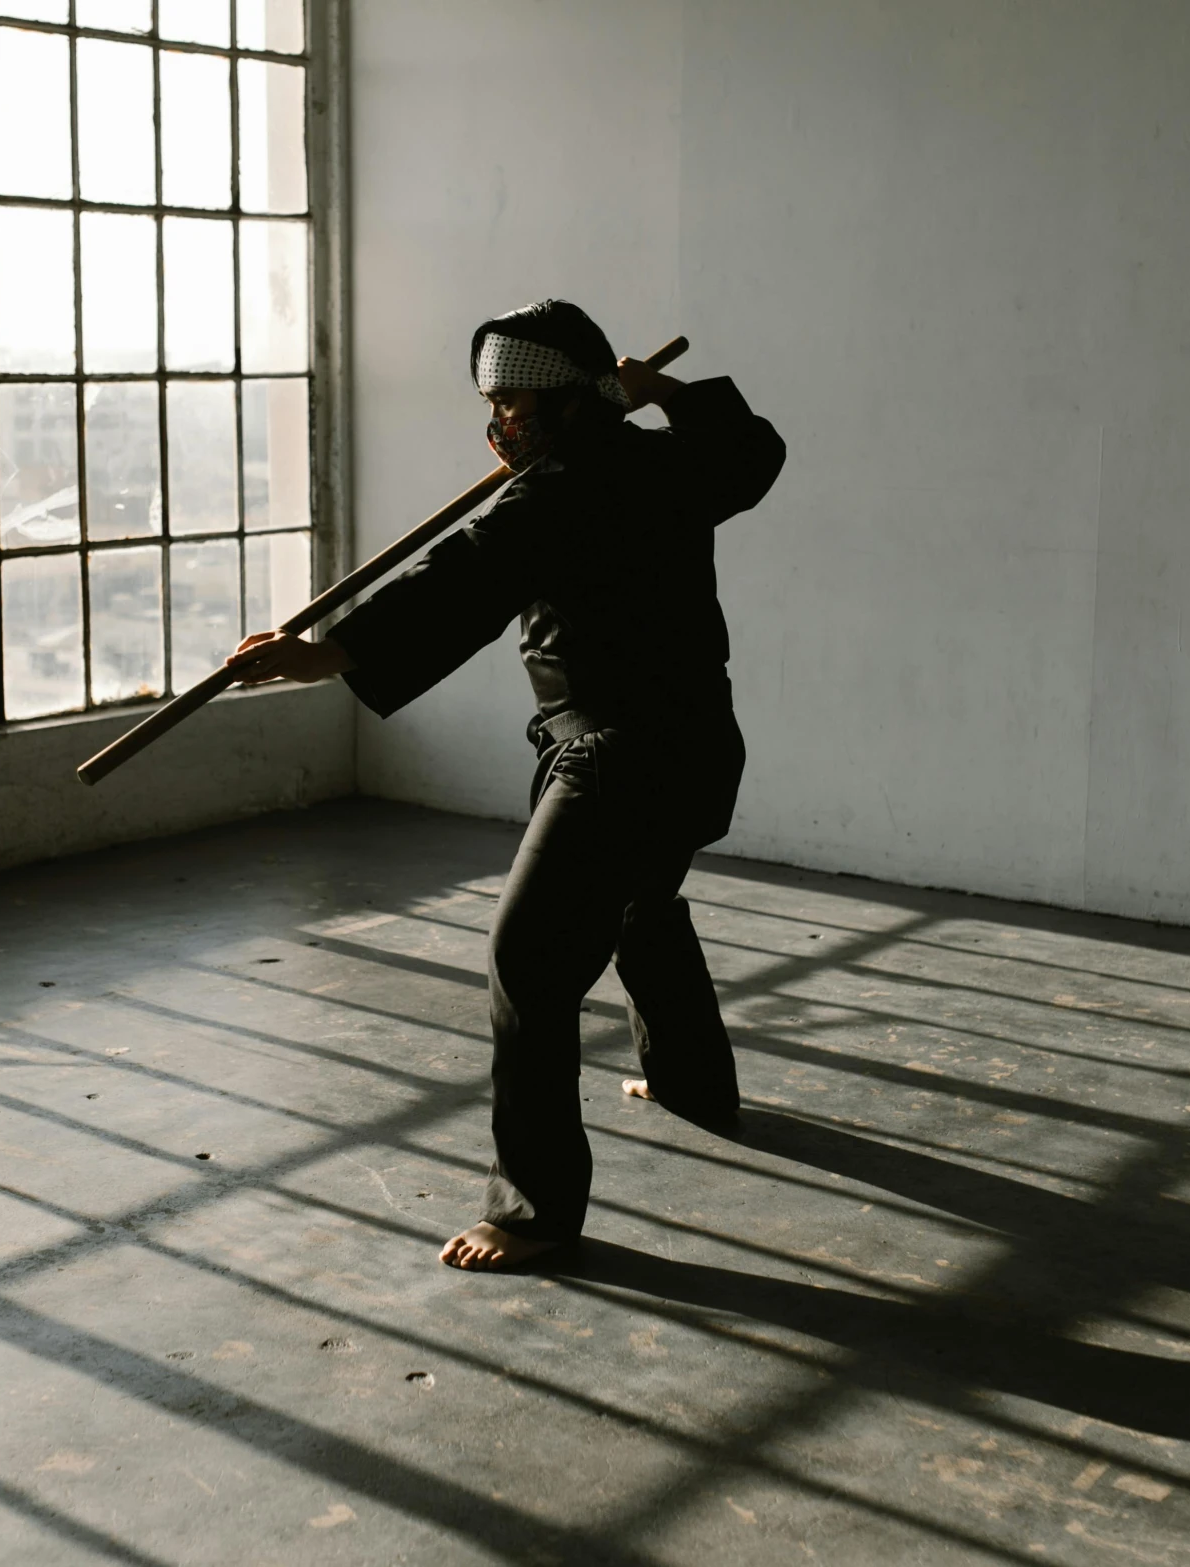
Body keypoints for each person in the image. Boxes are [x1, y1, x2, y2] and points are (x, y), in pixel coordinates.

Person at [228, 300, 786, 1271]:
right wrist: (668, 396)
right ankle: (691, 1081)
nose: (498, 428)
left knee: (528, 960)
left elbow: (463, 576)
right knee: (639, 899)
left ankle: (532, 1213)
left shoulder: (560, 492)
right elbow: (752, 450)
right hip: (698, 747)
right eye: (491, 408)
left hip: (617, 756)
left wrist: (328, 651)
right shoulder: (664, 463)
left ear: (572, 406)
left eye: (517, 407)